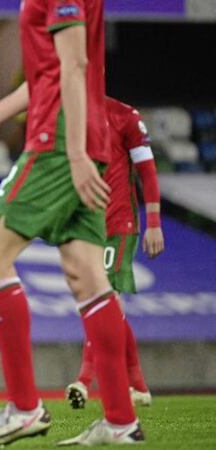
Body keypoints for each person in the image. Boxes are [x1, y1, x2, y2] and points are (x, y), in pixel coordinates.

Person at [0, 0, 145, 446]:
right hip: (84, 138)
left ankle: (24, 407)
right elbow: (51, 73)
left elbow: (75, 63)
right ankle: (120, 420)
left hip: (57, 141)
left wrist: (71, 153)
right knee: (87, 276)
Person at [65, 96, 165, 410]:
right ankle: (138, 385)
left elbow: (147, 172)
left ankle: (83, 380)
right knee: (105, 308)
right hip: (87, 226)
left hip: (118, 223)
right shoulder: (69, 114)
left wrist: (154, 223)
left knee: (102, 301)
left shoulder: (125, 116)